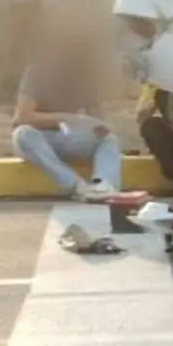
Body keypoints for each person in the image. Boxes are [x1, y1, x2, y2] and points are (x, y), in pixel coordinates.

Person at [10, 12, 124, 203]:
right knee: (23, 134)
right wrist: (66, 117)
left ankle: (105, 184)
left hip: (71, 138)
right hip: (42, 139)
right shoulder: (37, 73)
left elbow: (95, 117)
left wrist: (98, 126)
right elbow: (24, 116)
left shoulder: (83, 76)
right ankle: (75, 185)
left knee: (109, 139)